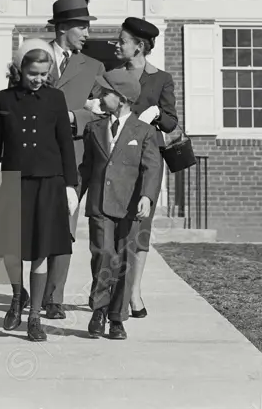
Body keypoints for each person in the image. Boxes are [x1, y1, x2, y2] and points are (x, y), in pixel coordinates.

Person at [0, 39, 78, 343]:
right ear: (19, 69)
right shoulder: (3, 100)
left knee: (40, 250)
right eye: (32, 73)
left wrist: (71, 186)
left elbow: (65, 144)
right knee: (11, 250)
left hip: (48, 183)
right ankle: (15, 298)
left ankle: (35, 316)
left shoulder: (56, 99)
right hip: (14, 182)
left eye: (43, 73)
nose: (38, 79)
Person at [91, 16, 177, 317]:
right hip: (115, 163)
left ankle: (134, 291)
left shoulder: (160, 78)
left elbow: (171, 121)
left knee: (139, 229)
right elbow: (98, 109)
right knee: (110, 234)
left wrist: (154, 115)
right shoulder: (111, 76)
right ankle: (109, 293)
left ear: (139, 46)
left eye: (122, 40)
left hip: (144, 162)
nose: (117, 44)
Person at [79, 68, 162, 340]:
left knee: (124, 260)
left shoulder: (145, 131)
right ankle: (99, 309)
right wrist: (73, 194)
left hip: (129, 208)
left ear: (123, 98)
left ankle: (116, 318)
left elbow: (153, 168)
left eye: (105, 92)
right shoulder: (94, 128)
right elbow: (87, 168)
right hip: (100, 205)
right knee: (104, 253)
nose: (99, 96)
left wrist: (147, 197)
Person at [41, 0, 106, 320]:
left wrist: (72, 118)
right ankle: (29, 290)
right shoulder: (33, 57)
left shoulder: (94, 67)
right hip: (36, 156)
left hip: (75, 159)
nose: (87, 34)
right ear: (64, 27)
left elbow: (102, 112)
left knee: (65, 227)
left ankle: (53, 297)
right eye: (82, 27)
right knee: (35, 227)